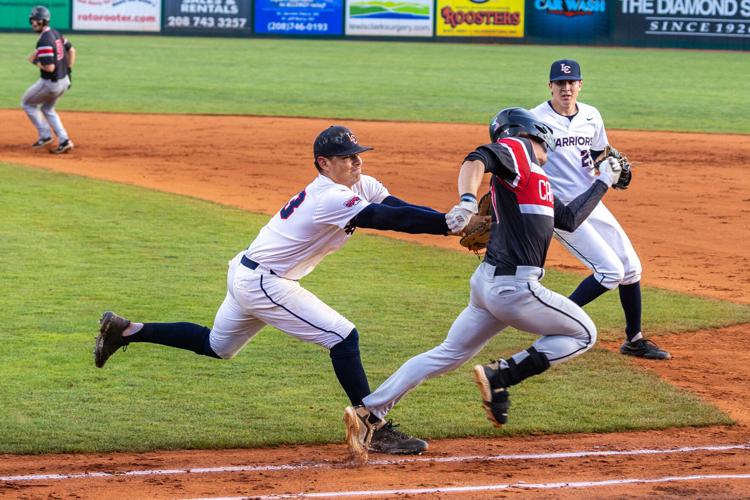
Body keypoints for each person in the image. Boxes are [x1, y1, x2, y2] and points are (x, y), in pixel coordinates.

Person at [95, 125, 461, 456]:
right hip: (265, 282)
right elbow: (386, 220)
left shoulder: (359, 184)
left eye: (358, 154)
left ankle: (127, 330)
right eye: (347, 157)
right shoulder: (329, 196)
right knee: (343, 337)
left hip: (247, 272)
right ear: (323, 162)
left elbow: (395, 206)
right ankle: (374, 427)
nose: (356, 161)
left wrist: (447, 218)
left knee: (217, 346)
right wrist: (447, 225)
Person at [343, 108, 624, 462]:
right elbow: (478, 157)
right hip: (515, 288)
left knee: (446, 355)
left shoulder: (535, 178)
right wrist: (464, 200)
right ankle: (502, 376)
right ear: (531, 131)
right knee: (585, 333)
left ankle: (369, 412)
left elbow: (568, 218)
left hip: (488, 286)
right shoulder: (517, 148)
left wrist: (603, 182)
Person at [529, 59, 670, 360]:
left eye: (571, 83)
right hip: (562, 211)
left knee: (631, 269)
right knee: (610, 271)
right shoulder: (535, 120)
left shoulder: (592, 115)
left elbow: (598, 154)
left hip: (592, 200)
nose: (566, 88)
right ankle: (553, 325)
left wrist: (612, 168)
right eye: (560, 83)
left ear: (580, 84)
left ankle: (634, 339)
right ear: (550, 86)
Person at [22, 5, 75, 154]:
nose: (33, 23)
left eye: (36, 20)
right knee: (47, 108)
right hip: (64, 81)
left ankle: (45, 136)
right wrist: (69, 70)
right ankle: (64, 140)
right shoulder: (55, 33)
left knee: (26, 103)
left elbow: (50, 67)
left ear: (43, 22)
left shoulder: (44, 40)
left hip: (51, 84)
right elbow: (71, 50)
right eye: (32, 20)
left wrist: (35, 61)